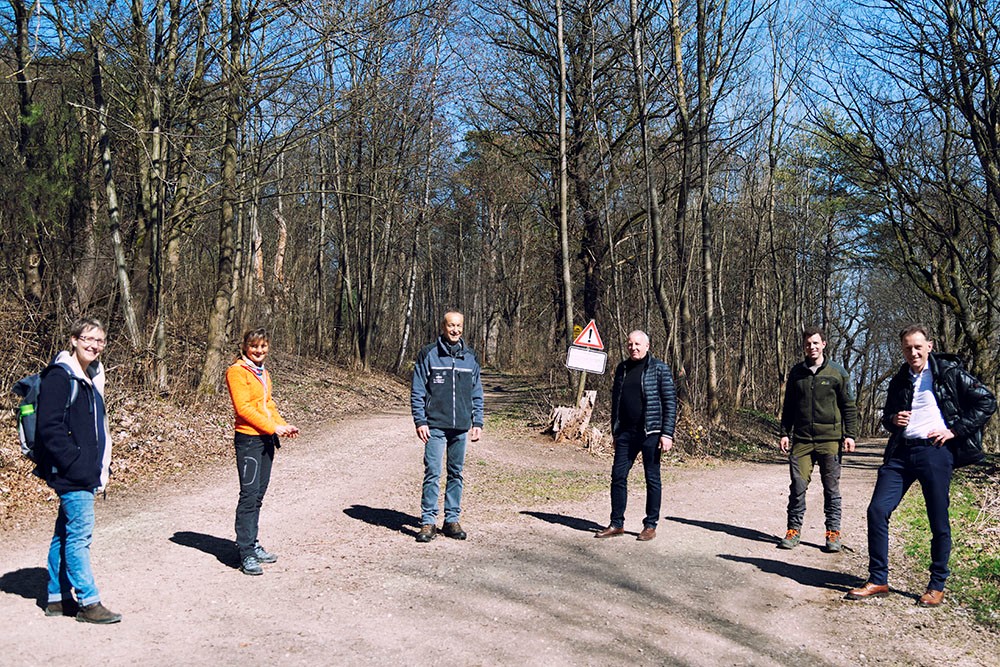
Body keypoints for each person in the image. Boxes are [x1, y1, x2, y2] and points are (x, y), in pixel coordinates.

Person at [847, 324, 995, 606]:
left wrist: (955, 430)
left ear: (929, 345)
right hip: (901, 453)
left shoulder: (949, 373)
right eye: (907, 348)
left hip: (935, 453)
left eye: (918, 346)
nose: (913, 352)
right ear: (902, 350)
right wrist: (892, 419)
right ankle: (878, 579)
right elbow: (887, 415)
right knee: (877, 510)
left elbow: (986, 401)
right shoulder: (899, 379)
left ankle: (937, 584)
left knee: (937, 518)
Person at [36, 317, 121, 623]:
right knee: (79, 538)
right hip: (73, 472)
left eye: (100, 340)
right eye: (88, 338)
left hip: (84, 470)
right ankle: (88, 601)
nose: (94, 345)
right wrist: (76, 461)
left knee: (64, 535)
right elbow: (49, 427)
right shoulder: (61, 377)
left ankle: (57, 599)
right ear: (73, 339)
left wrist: (100, 465)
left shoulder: (90, 377)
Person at [777, 326, 858, 552]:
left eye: (815, 343)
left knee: (831, 489)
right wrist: (785, 432)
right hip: (802, 440)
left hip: (830, 440)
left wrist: (850, 435)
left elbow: (849, 407)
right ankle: (793, 531)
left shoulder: (837, 373)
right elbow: (789, 407)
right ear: (803, 347)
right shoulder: (796, 373)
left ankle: (833, 534)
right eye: (807, 344)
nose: (811, 347)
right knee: (798, 486)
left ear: (824, 344)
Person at [226, 328, 299, 576]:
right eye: (254, 346)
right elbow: (243, 409)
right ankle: (245, 553)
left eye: (263, 346)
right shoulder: (236, 372)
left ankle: (253, 544)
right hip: (248, 440)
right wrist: (273, 427)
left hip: (266, 440)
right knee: (248, 495)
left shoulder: (263, 372)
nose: (259, 351)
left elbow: (268, 405)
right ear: (245, 347)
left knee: (258, 496)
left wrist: (282, 425)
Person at [595, 330, 676, 542]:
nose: (634, 348)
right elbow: (616, 402)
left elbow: (670, 403)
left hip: (651, 432)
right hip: (625, 433)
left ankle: (650, 525)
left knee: (652, 478)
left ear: (647, 346)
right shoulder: (622, 369)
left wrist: (667, 433)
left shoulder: (659, 369)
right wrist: (615, 430)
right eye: (630, 344)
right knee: (618, 476)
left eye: (638, 344)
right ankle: (616, 523)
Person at [410, 310, 484, 543]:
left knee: (456, 473)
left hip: (460, 427)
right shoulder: (428, 354)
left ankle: (451, 520)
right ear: (443, 327)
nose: (455, 330)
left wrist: (478, 421)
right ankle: (428, 522)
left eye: (459, 326)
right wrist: (420, 420)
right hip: (435, 426)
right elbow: (418, 391)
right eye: (451, 325)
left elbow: (477, 392)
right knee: (432, 472)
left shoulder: (470, 357)